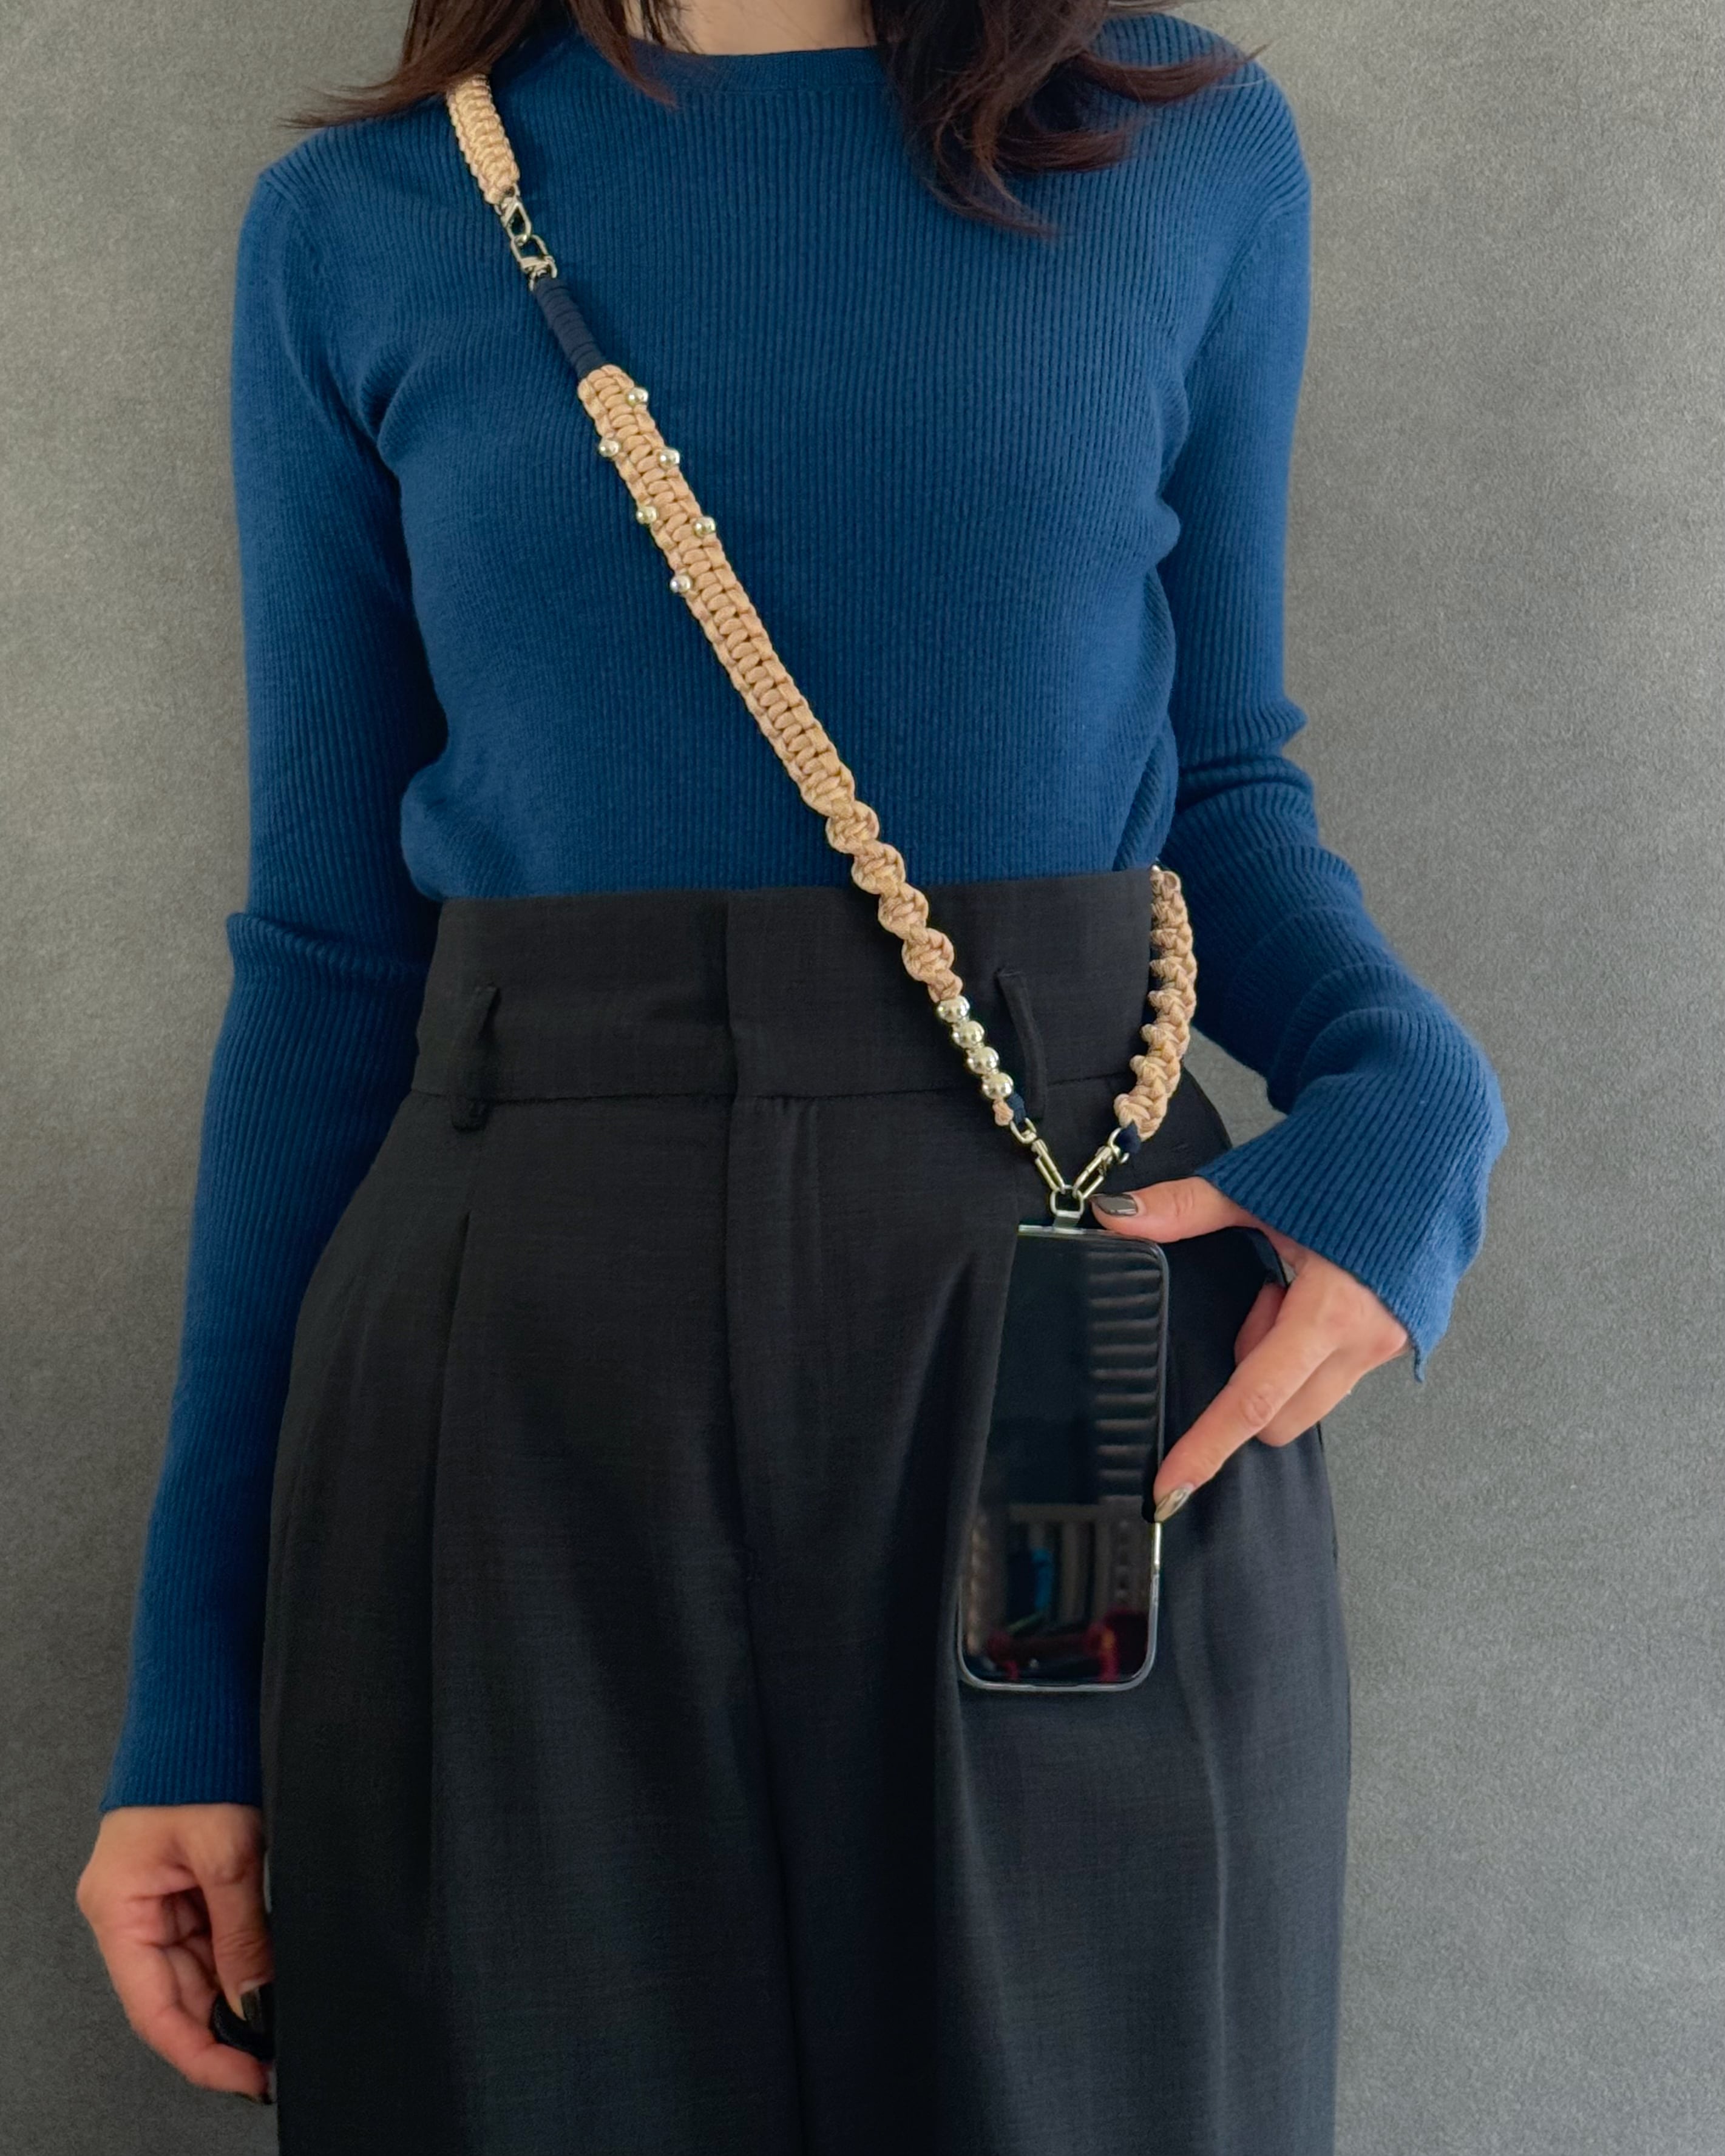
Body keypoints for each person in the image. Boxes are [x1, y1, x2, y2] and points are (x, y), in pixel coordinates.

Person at [76, 0, 1508, 2147]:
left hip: (1060, 1311)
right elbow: (329, 958)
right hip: (515, 1374)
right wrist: (192, 1691)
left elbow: (1211, 774)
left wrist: (1415, 1097)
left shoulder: (1174, 141)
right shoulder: (363, 217)